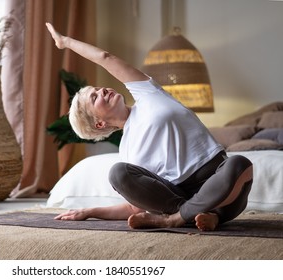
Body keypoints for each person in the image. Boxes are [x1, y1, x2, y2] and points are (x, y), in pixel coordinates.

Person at [45, 23, 253, 231]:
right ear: (99, 123)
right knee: (117, 173)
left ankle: (177, 219)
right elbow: (134, 207)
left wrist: (66, 42)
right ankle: (198, 214)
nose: (103, 90)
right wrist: (89, 212)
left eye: (99, 88)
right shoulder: (127, 152)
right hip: (179, 194)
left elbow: (105, 58)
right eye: (95, 96)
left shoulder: (147, 94)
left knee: (239, 164)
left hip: (217, 177)